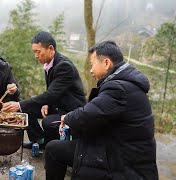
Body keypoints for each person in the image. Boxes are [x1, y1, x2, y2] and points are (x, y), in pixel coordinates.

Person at [45, 41, 158, 180]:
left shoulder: (118, 88)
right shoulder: (125, 83)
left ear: (106, 63)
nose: (91, 70)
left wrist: (66, 118)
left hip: (124, 163)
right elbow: (97, 114)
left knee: (53, 149)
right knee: (60, 147)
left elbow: (87, 115)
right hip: (118, 148)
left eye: (92, 64)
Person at [2, 31, 86, 148]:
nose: (36, 56)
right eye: (34, 52)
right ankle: (38, 140)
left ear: (50, 49)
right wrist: (46, 103)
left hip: (70, 109)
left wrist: (19, 104)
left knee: (48, 122)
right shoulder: (49, 63)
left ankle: (53, 148)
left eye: (38, 51)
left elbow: (51, 93)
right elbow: (54, 91)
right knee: (26, 108)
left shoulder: (64, 66)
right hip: (57, 104)